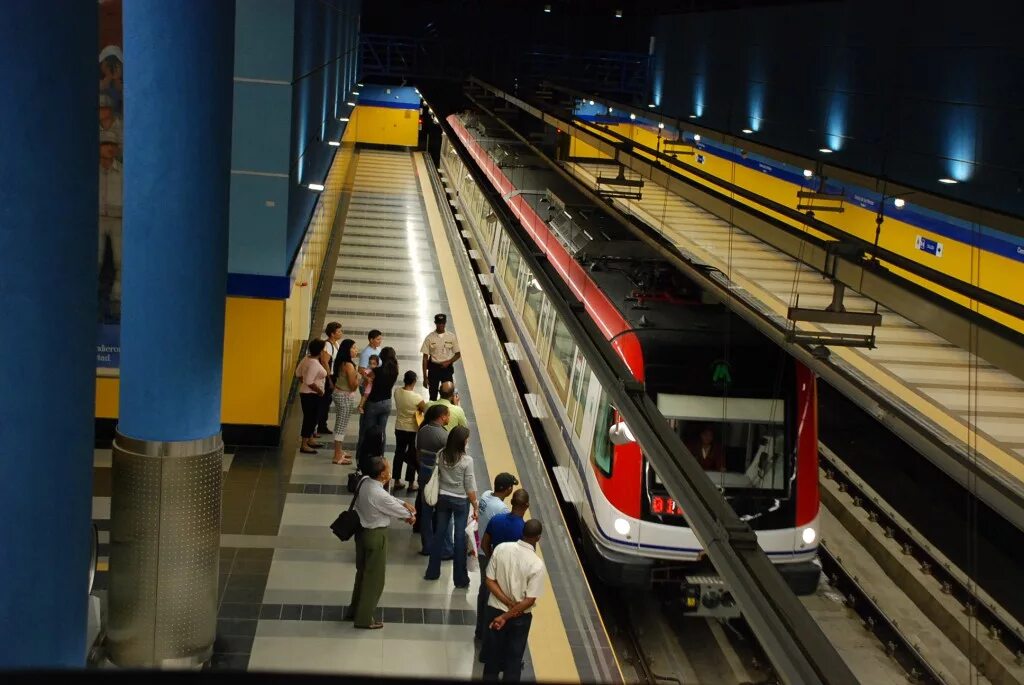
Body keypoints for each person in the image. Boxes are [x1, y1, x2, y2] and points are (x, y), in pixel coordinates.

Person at [350, 456, 416, 629]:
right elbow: (394, 508)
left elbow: (387, 499)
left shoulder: (364, 481)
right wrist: (409, 515)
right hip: (376, 536)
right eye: (388, 468)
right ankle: (364, 619)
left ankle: (354, 609)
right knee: (375, 580)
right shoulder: (378, 494)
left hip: (361, 533)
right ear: (382, 474)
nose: (390, 470)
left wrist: (403, 503)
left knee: (362, 574)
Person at [482, 519, 546, 682]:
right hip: (519, 618)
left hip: (495, 610)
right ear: (538, 538)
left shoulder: (501, 549)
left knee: (492, 658)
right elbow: (530, 600)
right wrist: (510, 611)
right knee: (513, 660)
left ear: (522, 531)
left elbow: (489, 581)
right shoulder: (536, 564)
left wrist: (505, 605)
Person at [424, 426, 477, 588]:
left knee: (439, 533)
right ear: (462, 442)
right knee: (460, 538)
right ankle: (460, 579)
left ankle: (432, 572)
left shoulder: (441, 454)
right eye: (467, 439)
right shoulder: (467, 461)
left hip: (443, 498)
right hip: (460, 501)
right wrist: (475, 505)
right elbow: (469, 486)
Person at [475, 475, 520, 640]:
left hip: (480, 548)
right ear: (508, 489)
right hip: (488, 554)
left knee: (483, 590)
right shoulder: (502, 509)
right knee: (489, 595)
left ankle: (479, 629)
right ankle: (486, 631)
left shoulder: (486, 495)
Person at [415, 404, 451, 555]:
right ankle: (446, 549)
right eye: (448, 415)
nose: (449, 418)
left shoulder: (422, 430)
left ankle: (427, 546)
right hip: (439, 477)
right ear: (442, 416)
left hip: (424, 473)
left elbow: (417, 453)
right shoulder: (444, 436)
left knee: (426, 511)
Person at [98, 127, 122, 320]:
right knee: (95, 259)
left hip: (118, 219)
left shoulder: (122, 171)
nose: (109, 148)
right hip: (97, 218)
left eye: (112, 145)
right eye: (106, 144)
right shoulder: (92, 170)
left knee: (119, 260)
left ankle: (117, 298)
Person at [357, 347, 399, 453]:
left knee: (368, 431)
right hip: (387, 403)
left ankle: (364, 457)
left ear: (381, 357)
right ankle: (380, 456)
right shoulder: (395, 371)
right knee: (382, 432)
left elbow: (364, 383)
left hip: (373, 403)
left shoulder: (376, 371)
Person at [393, 370, 426, 491]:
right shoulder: (417, 397)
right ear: (414, 381)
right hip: (412, 429)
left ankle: (396, 480)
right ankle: (411, 483)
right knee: (412, 455)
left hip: (399, 427)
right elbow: (425, 409)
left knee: (399, 453)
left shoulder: (397, 392)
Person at [295, 339, 327, 454]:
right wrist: (319, 391)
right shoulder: (314, 364)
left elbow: (298, 374)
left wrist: (304, 384)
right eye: (323, 349)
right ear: (320, 351)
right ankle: (304, 444)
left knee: (313, 417)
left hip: (306, 394)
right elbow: (309, 381)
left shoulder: (307, 358)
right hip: (312, 396)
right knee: (309, 419)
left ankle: (310, 439)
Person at [421, 313, 462, 401]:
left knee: (448, 395)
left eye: (443, 323)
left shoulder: (451, 337)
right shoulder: (429, 338)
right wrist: (425, 377)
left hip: (447, 369)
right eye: (439, 323)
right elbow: (425, 358)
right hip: (433, 369)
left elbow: (458, 354)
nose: (441, 325)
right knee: (433, 396)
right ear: (435, 323)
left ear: (445, 323)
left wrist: (449, 361)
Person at [331, 338, 359, 465]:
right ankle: (337, 456)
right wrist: (358, 377)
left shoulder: (341, 362)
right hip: (345, 396)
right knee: (341, 426)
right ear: (347, 350)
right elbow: (353, 385)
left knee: (339, 424)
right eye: (353, 348)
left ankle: (339, 451)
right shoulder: (349, 365)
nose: (355, 350)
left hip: (338, 393)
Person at [318, 321, 344, 435]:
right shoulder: (327, 345)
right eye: (339, 331)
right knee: (324, 401)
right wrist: (329, 379)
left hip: (334, 375)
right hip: (328, 376)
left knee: (327, 401)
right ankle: (320, 425)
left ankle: (322, 424)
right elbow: (325, 362)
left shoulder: (336, 344)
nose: (341, 333)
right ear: (332, 334)